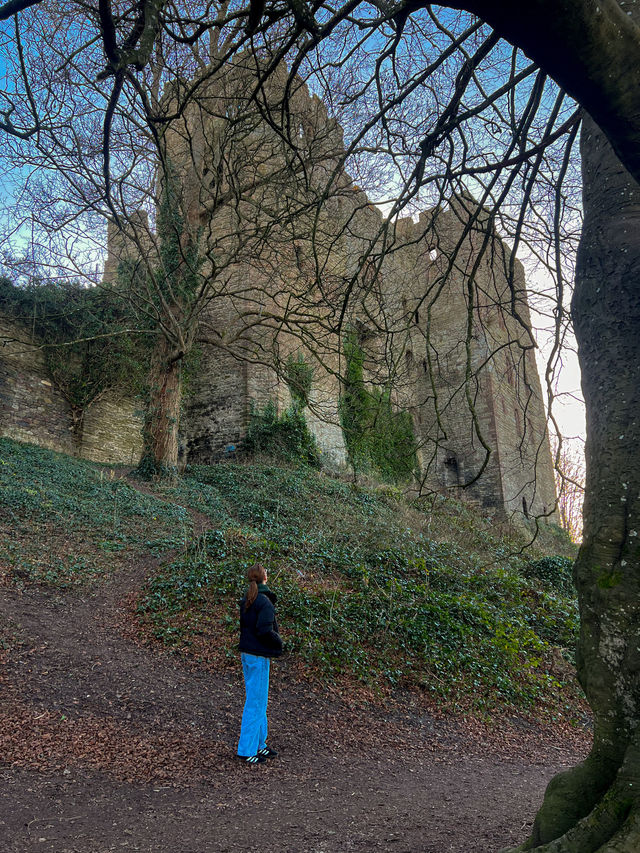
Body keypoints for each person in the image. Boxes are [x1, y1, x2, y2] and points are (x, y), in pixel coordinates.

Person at [237, 563, 283, 765]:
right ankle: (246, 749)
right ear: (265, 578)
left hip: (247, 654)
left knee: (258, 701)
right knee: (256, 702)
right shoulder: (264, 602)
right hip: (258, 657)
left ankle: (259, 745)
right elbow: (264, 630)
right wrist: (279, 643)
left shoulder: (248, 600)